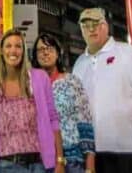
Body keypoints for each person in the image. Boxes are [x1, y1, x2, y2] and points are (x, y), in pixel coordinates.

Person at [73, 8, 132, 173]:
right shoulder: (79, 64)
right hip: (91, 154)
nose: (91, 29)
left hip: (128, 152)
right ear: (81, 30)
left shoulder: (128, 53)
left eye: (96, 24)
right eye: (86, 25)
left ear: (105, 26)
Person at [0, 29, 65, 173]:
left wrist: (59, 159)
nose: (13, 50)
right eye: (8, 46)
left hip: (38, 164)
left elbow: (53, 119)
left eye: (18, 46)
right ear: (1, 51)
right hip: (7, 165)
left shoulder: (39, 78)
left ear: (23, 51)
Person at [31, 33, 95, 173]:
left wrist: (90, 165)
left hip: (72, 160)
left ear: (58, 53)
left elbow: (85, 121)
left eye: (50, 48)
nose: (45, 52)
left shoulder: (72, 82)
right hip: (39, 161)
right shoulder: (29, 86)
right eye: (41, 49)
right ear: (35, 55)